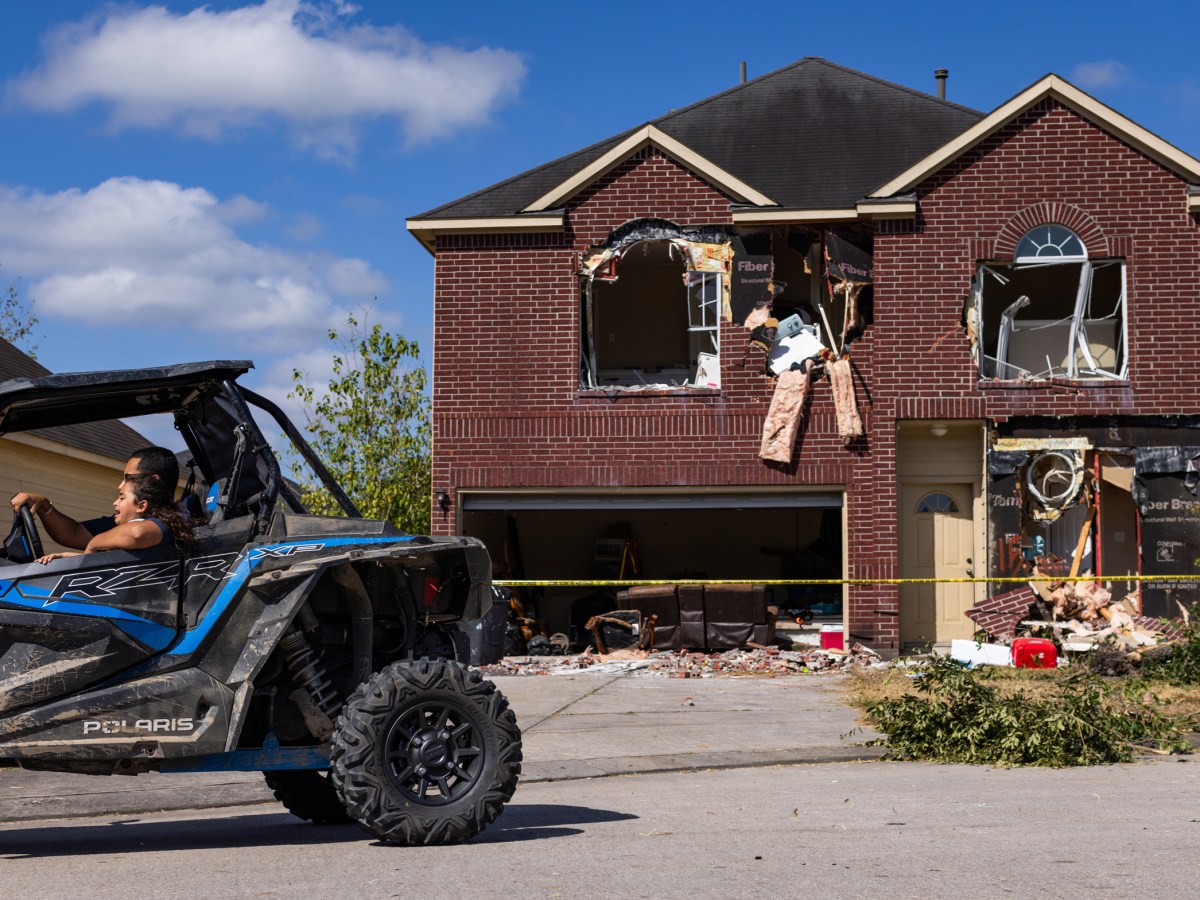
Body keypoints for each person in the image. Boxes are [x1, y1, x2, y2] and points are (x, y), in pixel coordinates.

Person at [9, 446, 195, 562]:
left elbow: (137, 534)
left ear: (153, 481)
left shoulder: (174, 520)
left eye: (128, 479)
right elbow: (73, 534)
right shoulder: (126, 520)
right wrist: (43, 505)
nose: (120, 485)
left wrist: (93, 545)